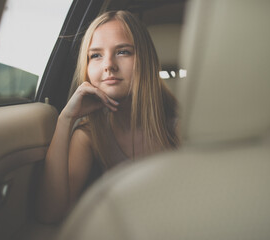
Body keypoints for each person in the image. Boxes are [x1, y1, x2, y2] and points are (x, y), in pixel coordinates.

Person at [37, 10, 179, 223]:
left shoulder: (177, 126)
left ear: (145, 60)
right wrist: (65, 119)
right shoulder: (89, 135)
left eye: (122, 52)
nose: (108, 65)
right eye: (96, 55)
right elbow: (51, 214)